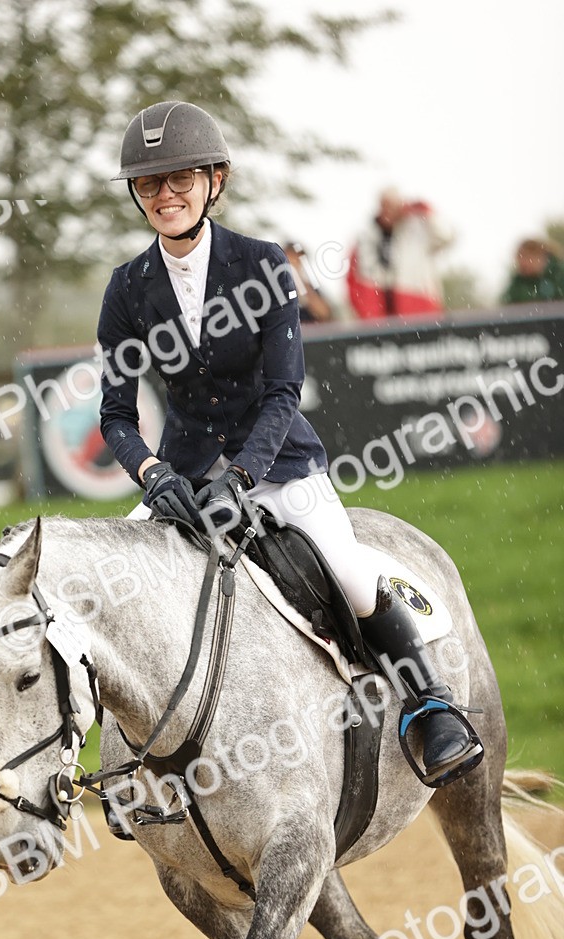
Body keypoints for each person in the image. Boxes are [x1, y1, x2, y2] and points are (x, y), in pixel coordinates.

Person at [97, 100, 481, 786]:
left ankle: (431, 706)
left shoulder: (262, 264)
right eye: (149, 183)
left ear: (215, 180)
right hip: (183, 478)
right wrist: (152, 473)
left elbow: (283, 392)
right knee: (112, 596)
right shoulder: (127, 288)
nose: (164, 195)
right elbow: (117, 416)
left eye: (180, 178)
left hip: (277, 468)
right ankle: (119, 764)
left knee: (352, 575)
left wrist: (243, 476)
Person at [346, 188, 453, 318]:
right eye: (385, 205)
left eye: (393, 206)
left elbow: (446, 237)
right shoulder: (367, 238)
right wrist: (368, 314)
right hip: (381, 314)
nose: (388, 211)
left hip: (420, 309)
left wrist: (427, 212)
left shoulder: (418, 230)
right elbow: (355, 281)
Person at [282, 240, 334, 323]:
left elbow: (324, 314)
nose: (294, 265)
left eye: (297, 261)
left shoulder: (308, 288)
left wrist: (303, 287)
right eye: (290, 259)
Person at [501, 238, 564, 305]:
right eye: (520, 258)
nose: (523, 263)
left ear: (541, 257)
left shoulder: (559, 276)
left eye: (528, 257)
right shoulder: (518, 283)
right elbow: (507, 305)